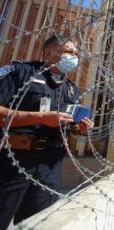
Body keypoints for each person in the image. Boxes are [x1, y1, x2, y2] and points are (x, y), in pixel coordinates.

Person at [0, 34, 94, 228]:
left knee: (41, 223)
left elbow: (69, 127)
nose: (74, 57)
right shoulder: (21, 72)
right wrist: (40, 118)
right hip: (12, 160)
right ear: (49, 53)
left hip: (50, 165)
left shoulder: (70, 90)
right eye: (69, 51)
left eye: (76, 53)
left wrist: (80, 128)